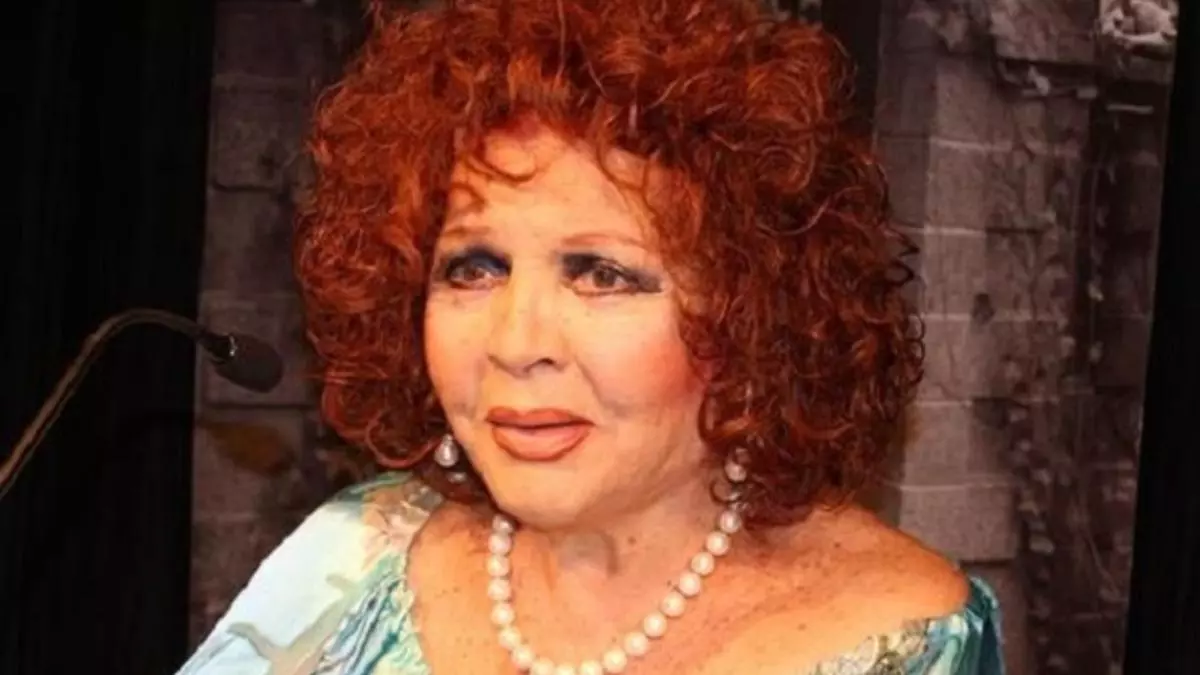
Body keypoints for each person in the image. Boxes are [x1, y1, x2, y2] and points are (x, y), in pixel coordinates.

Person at [180, 0, 1003, 673]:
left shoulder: (898, 640)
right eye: (474, 268)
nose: (517, 341)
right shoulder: (350, 558)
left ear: (755, 316)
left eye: (603, 275)